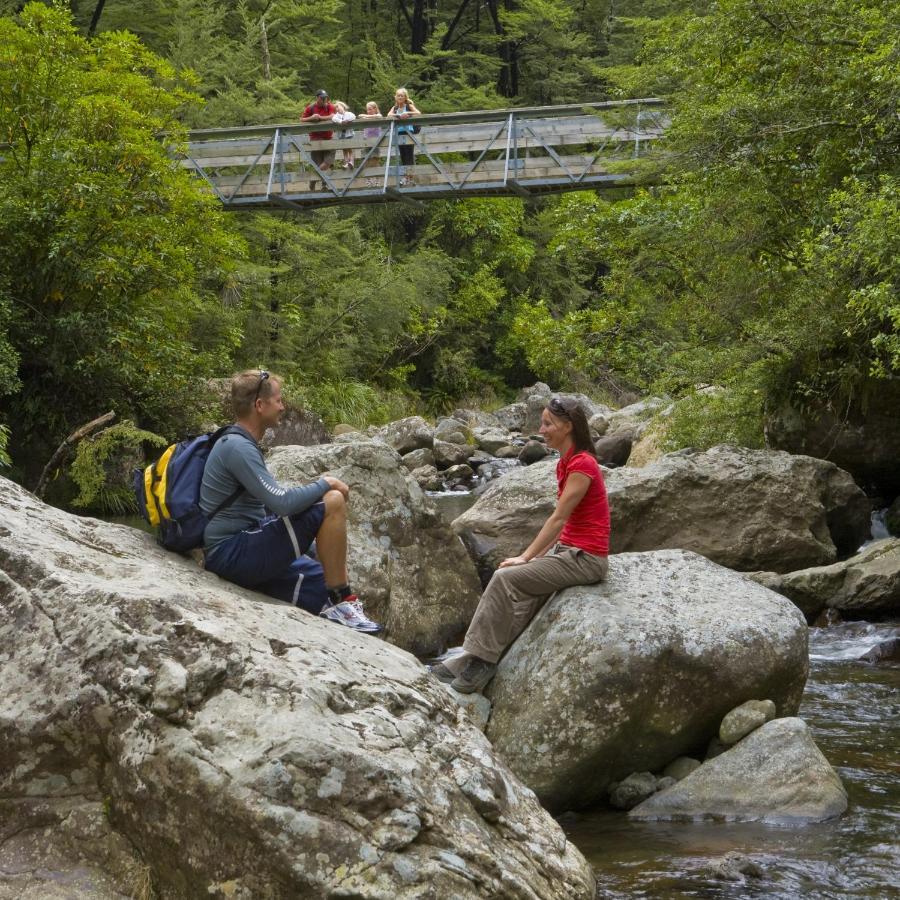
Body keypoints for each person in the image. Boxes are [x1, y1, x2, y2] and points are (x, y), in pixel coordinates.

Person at [432, 396, 610, 692]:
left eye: (547, 424)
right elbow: (562, 526)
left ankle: (481, 663)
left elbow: (558, 518)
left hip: (585, 558)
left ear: (567, 427)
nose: (541, 430)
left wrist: (525, 557)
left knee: (504, 579)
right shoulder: (565, 463)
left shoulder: (583, 465)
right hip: (568, 552)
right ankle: (472, 658)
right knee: (523, 601)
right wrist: (533, 557)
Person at [200, 369, 382, 633]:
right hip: (231, 551)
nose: (283, 406)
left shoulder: (240, 442)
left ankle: (335, 612)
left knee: (323, 579)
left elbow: (269, 501)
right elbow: (281, 503)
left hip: (240, 546)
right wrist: (326, 483)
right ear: (259, 405)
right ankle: (344, 600)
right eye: (278, 400)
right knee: (332, 500)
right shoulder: (237, 448)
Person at [302, 89, 336, 190]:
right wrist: (312, 117)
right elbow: (302, 120)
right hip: (315, 139)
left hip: (328, 138)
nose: (324, 99)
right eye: (322, 98)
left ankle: (313, 180)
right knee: (319, 163)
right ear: (317, 98)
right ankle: (324, 185)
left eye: (325, 97)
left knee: (328, 161)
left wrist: (320, 117)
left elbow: (332, 116)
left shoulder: (330, 106)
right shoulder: (311, 108)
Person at [387, 88, 421, 186]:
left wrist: (408, 113)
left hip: (408, 132)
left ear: (405, 97)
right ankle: (407, 177)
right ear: (396, 97)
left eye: (402, 95)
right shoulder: (395, 108)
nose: (400, 97)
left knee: (409, 154)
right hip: (399, 133)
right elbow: (388, 115)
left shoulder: (409, 106)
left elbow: (418, 113)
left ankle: (409, 177)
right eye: (398, 95)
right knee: (403, 155)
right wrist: (398, 115)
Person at [358, 101, 383, 188]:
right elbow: (360, 116)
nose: (368, 111)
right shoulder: (366, 116)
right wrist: (366, 116)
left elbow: (379, 116)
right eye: (367, 109)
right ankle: (368, 180)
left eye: (370, 109)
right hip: (366, 141)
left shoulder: (378, 116)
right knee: (366, 161)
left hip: (375, 142)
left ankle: (376, 180)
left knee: (375, 161)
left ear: (375, 109)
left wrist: (367, 117)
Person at [331, 101, 356, 169]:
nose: (337, 108)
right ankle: (346, 162)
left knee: (350, 148)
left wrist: (347, 120)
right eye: (335, 108)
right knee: (344, 150)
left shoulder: (349, 113)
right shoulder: (336, 116)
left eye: (338, 106)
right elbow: (334, 119)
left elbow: (354, 117)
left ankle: (351, 162)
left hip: (349, 134)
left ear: (343, 106)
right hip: (341, 135)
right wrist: (341, 122)